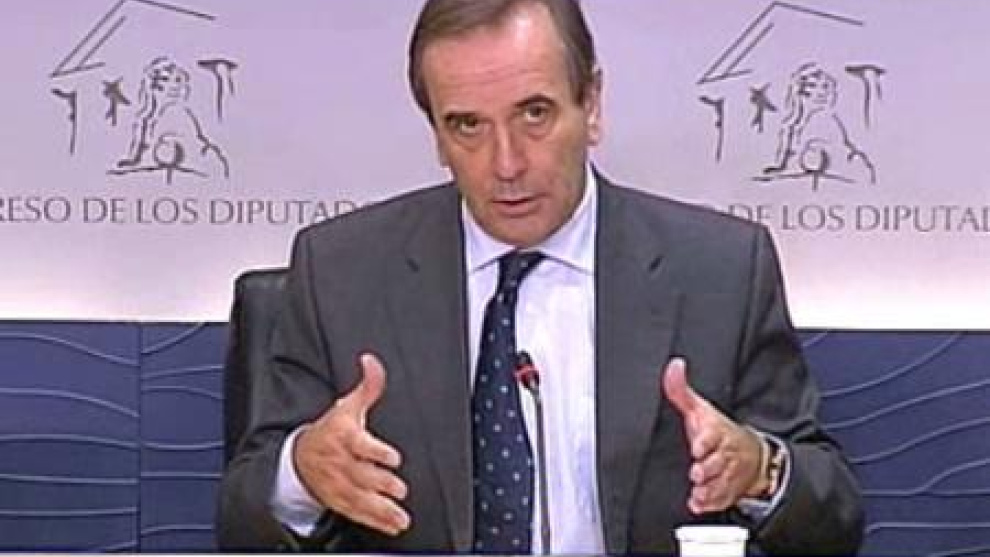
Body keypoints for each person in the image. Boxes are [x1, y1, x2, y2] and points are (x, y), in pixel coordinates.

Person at [218, 0, 864, 554]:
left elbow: (834, 516)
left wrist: (758, 468)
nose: (506, 163)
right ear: (437, 134)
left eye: (534, 113)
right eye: (467, 125)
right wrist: (302, 472)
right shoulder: (342, 272)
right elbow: (239, 520)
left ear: (592, 104)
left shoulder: (719, 271)